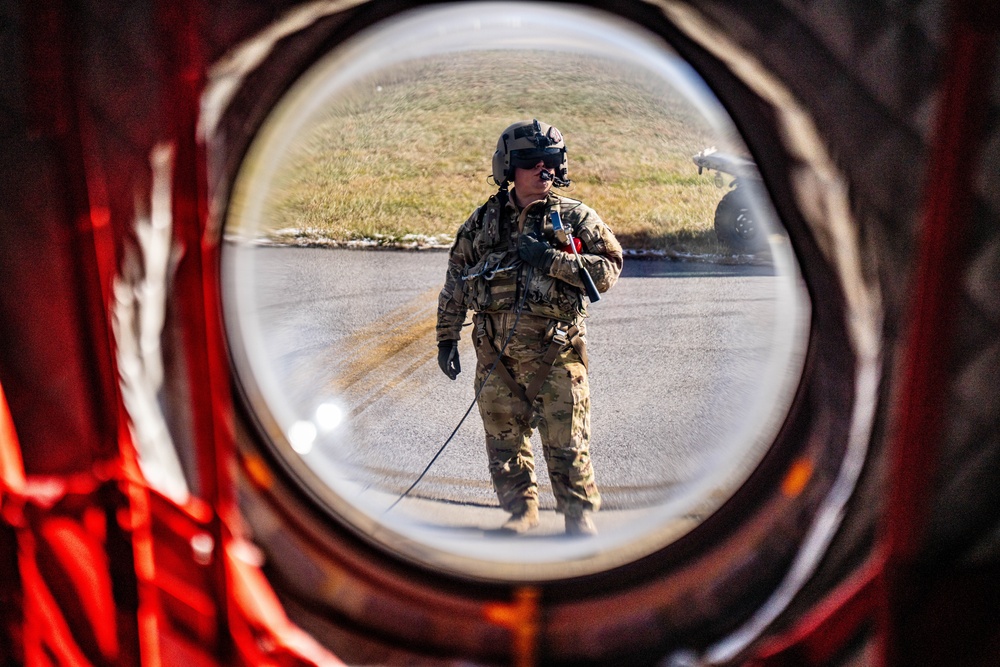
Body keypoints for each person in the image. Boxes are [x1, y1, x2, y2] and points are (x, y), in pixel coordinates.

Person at [435, 119, 623, 536]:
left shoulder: (575, 218)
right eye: (531, 162)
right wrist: (446, 338)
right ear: (508, 168)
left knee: (568, 443)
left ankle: (578, 519)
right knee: (503, 443)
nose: (544, 171)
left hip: (557, 355)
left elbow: (610, 268)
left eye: (551, 162)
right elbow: (455, 283)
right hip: (495, 358)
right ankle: (521, 511)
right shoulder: (482, 224)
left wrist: (552, 259)